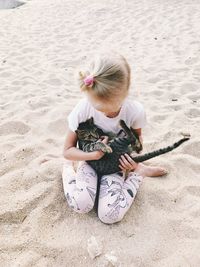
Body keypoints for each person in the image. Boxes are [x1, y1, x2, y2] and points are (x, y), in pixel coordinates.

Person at [62, 52, 167, 224]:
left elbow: (137, 142)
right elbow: (67, 151)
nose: (105, 113)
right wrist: (92, 156)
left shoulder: (134, 110)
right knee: (80, 205)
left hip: (115, 166)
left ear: (125, 94)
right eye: (98, 108)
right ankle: (66, 169)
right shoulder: (82, 110)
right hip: (89, 162)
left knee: (109, 215)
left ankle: (138, 174)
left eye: (110, 109)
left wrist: (132, 161)